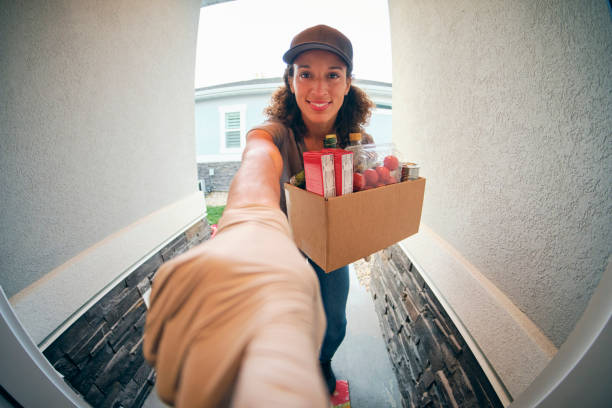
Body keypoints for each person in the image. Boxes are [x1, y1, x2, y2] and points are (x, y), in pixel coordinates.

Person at [247, 24, 375, 394]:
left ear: (349, 82)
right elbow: (257, 157)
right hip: (281, 244)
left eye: (333, 75)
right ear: (290, 80)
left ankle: (322, 361)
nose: (319, 89)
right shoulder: (275, 134)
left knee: (334, 323)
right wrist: (242, 211)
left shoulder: (358, 144)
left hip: (330, 248)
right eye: (306, 74)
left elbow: (364, 204)